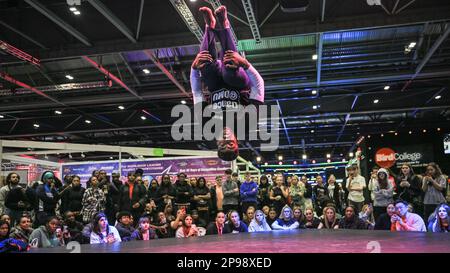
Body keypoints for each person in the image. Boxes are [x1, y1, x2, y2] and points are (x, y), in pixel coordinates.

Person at [192, 6, 264, 161]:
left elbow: (197, 94)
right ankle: (224, 24)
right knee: (229, 69)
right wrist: (245, 64)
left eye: (221, 145)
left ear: (217, 143)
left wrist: (193, 68)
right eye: (230, 145)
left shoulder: (208, 126)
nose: (225, 141)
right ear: (237, 142)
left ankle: (209, 25)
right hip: (239, 82)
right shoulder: (247, 125)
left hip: (216, 84)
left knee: (205, 66)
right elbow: (258, 89)